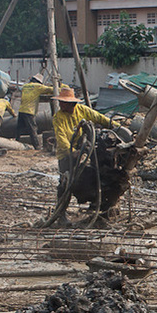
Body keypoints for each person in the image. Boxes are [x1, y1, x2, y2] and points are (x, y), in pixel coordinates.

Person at [51, 87, 119, 222]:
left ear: (72, 104)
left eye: (63, 102)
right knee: (66, 183)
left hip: (82, 149)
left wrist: (116, 126)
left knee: (98, 173)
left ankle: (100, 204)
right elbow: (61, 137)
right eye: (61, 102)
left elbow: (98, 117)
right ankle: (60, 213)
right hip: (66, 154)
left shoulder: (81, 110)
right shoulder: (58, 117)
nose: (60, 105)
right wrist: (72, 153)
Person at [16, 74, 69, 150]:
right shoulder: (38, 87)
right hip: (29, 111)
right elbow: (52, 90)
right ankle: (37, 146)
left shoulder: (25, 86)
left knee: (19, 129)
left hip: (21, 110)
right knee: (33, 129)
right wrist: (63, 88)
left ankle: (16, 142)